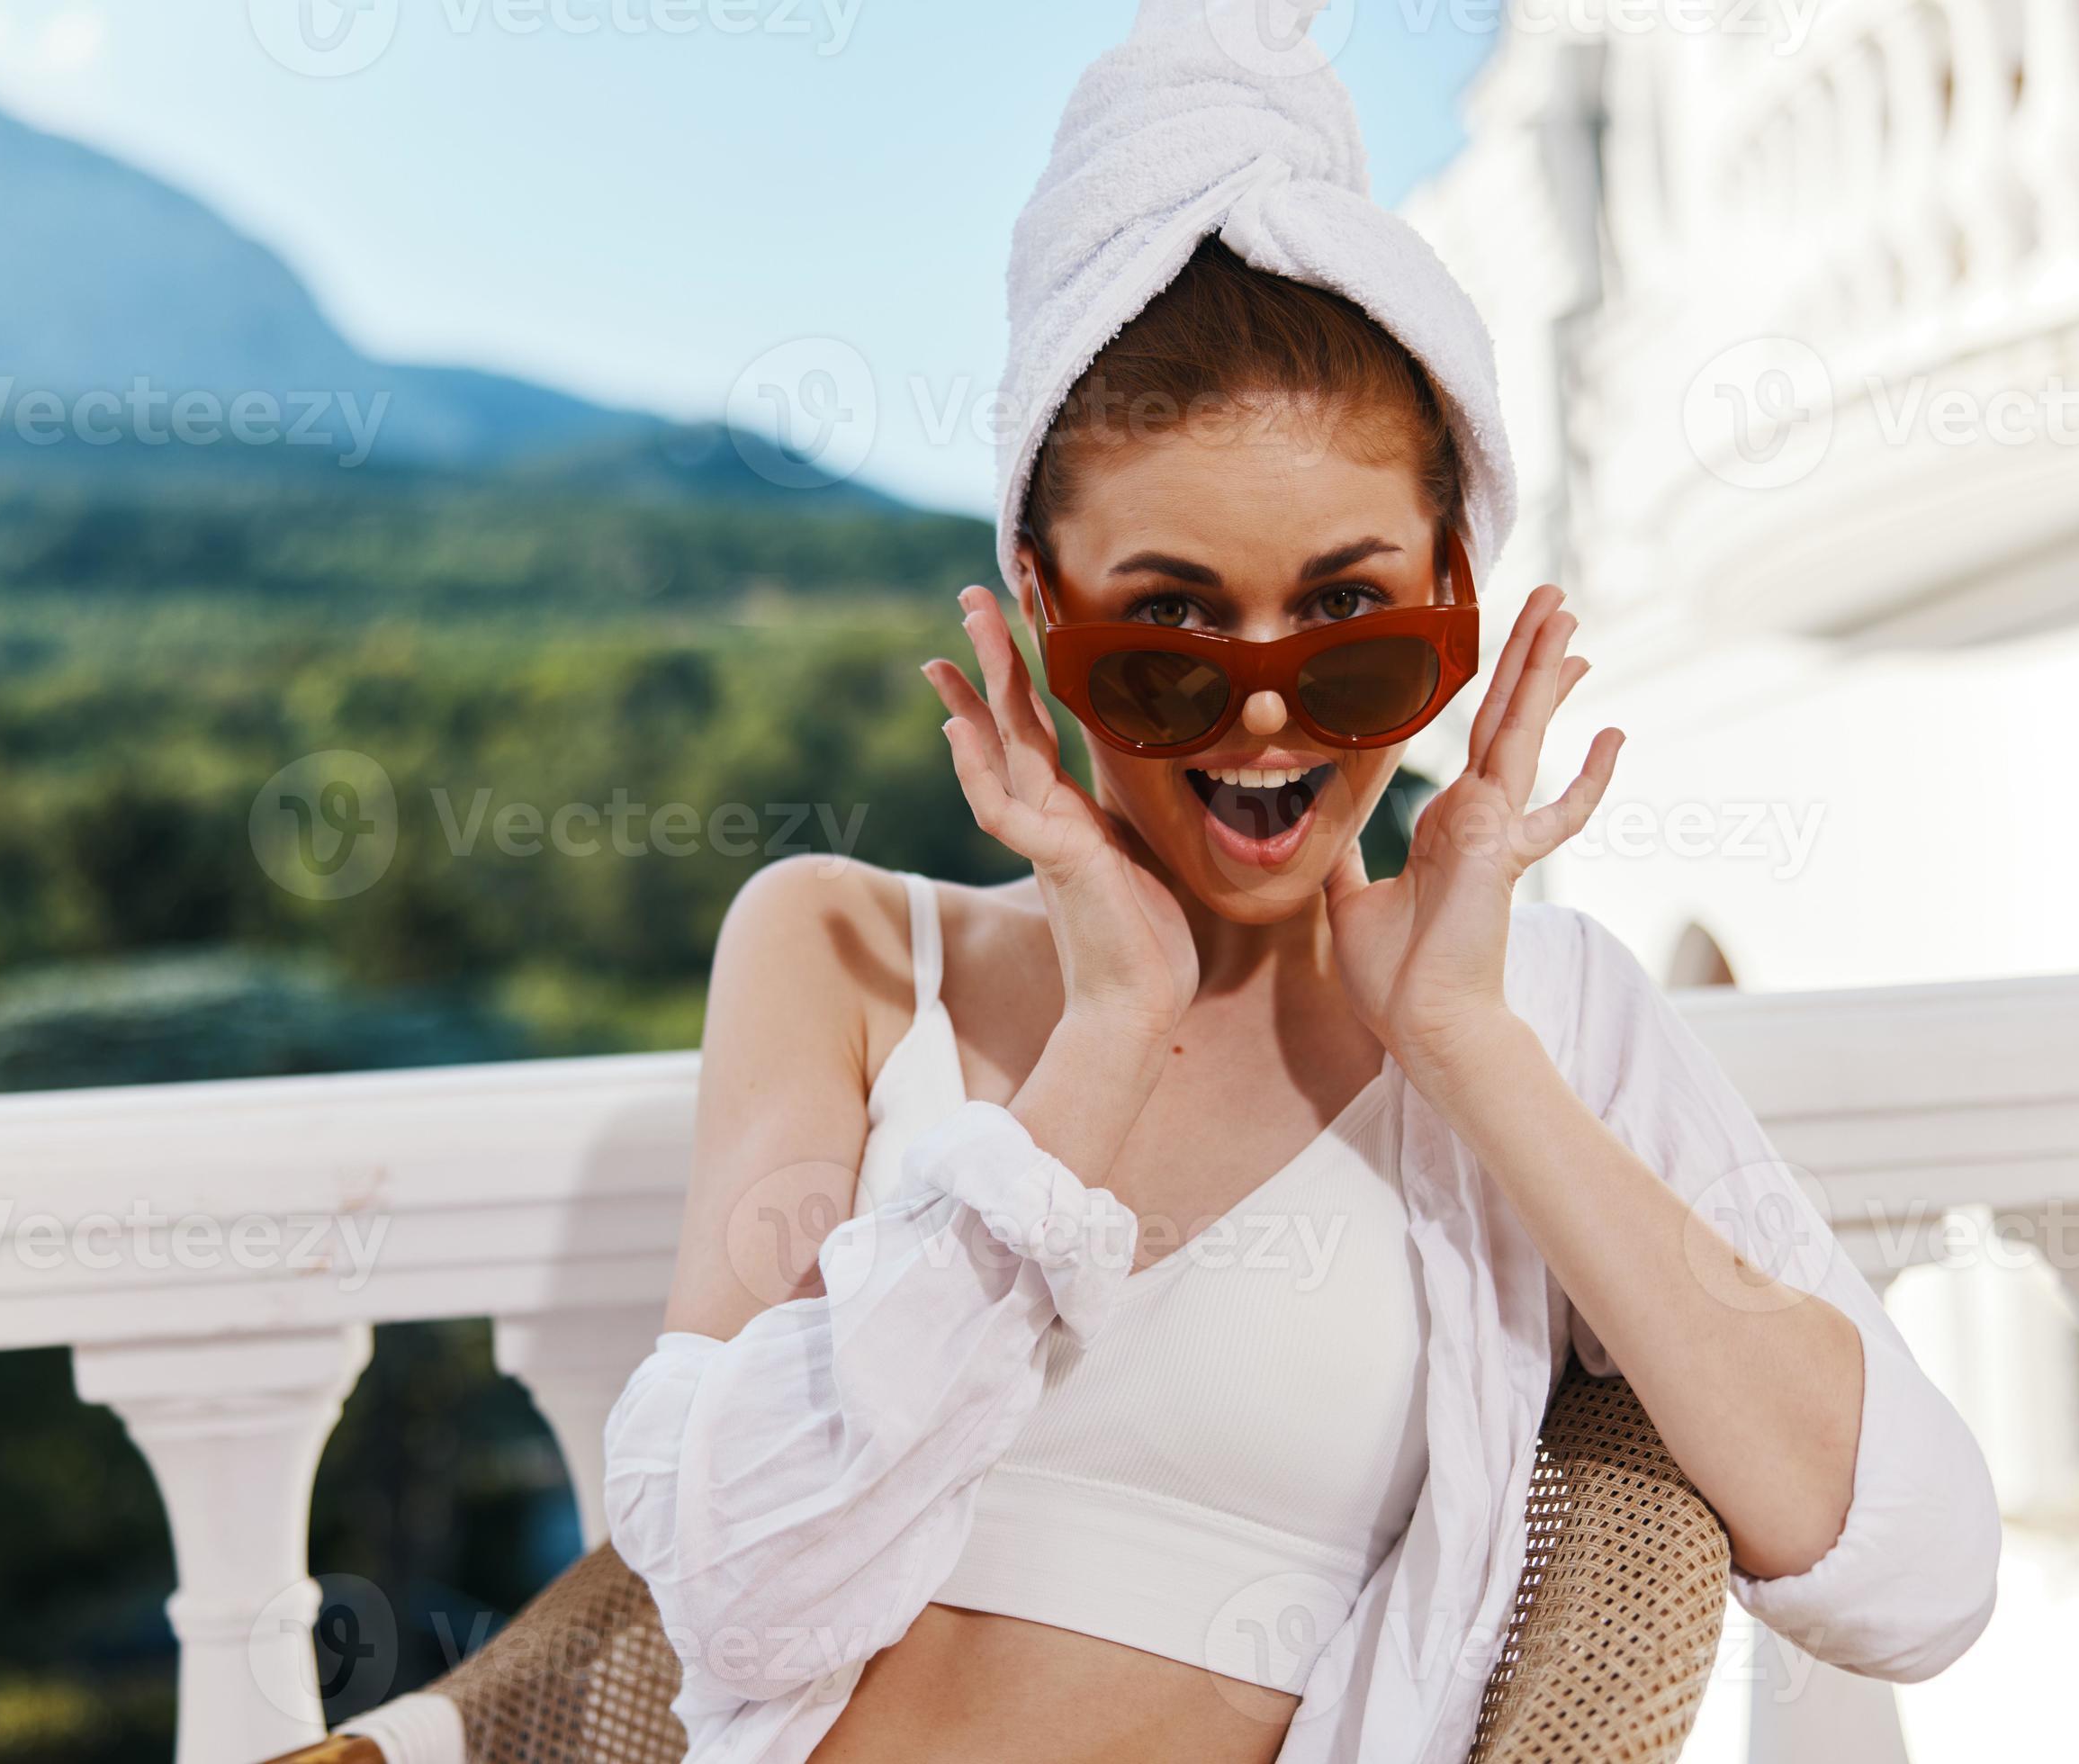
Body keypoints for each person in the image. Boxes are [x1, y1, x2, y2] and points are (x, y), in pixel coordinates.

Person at [602, 7, 2001, 1762]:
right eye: (1172, 640)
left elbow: (1918, 1577)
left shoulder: (1532, 1021)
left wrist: (1469, 1045)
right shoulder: (847, 952)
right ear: (1042, 608)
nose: (1265, 726)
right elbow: (732, 1594)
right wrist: (1104, 1041)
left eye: (1351, 633)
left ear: (1457, 600)